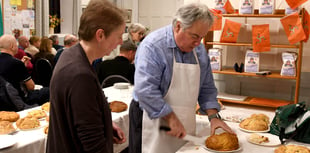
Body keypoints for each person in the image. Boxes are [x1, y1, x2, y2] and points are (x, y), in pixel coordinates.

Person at [129, 3, 234, 153]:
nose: (198, 43)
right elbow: (145, 91)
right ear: (178, 26)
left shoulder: (198, 50)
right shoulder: (153, 47)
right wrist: (171, 118)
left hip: (183, 122)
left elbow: (206, 87)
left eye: (202, 37)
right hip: (150, 117)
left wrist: (213, 117)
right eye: (195, 36)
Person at [46, 0, 126, 153]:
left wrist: (106, 125)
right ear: (100, 35)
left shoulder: (71, 54)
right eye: (119, 35)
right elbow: (92, 143)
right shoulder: (80, 75)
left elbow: (80, 114)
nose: (121, 42)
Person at [0, 34, 49, 106]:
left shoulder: (17, 64)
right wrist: (22, 67)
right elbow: (31, 87)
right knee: (48, 91)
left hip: (3, 101)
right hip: (19, 100)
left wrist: (22, 67)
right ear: (12, 47)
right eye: (16, 45)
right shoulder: (17, 63)